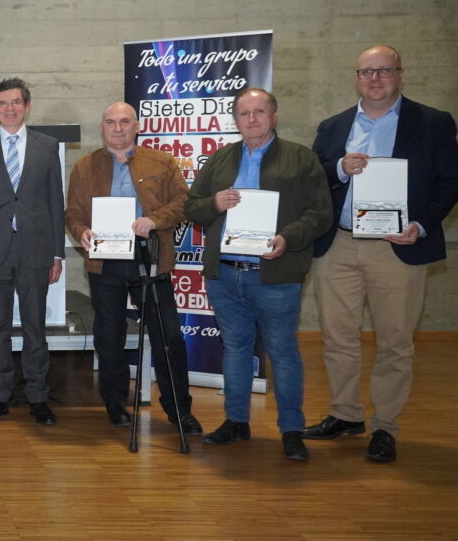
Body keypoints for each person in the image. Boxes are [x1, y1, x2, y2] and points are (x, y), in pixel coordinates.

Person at [304, 45, 458, 463]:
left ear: (400, 74)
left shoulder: (432, 122)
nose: (375, 79)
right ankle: (345, 414)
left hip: (399, 245)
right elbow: (313, 174)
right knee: (338, 337)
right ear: (356, 77)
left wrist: (422, 224)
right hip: (340, 244)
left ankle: (385, 426)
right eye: (366, 72)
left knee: (395, 342)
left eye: (384, 70)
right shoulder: (334, 125)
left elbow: (449, 181)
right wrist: (339, 168)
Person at [184, 87, 331, 462]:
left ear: (274, 116)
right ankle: (236, 422)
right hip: (225, 275)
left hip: (276, 273)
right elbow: (192, 208)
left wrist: (288, 238)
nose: (252, 119)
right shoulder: (219, 160)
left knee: (282, 352)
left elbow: (319, 213)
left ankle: (292, 430)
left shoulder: (301, 158)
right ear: (235, 119)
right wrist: (213, 203)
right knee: (234, 348)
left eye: (259, 112)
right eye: (244, 113)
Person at [65, 102, 201, 434]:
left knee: (167, 336)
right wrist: (81, 231)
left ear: (136, 126)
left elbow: (184, 202)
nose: (117, 128)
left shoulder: (163, 161)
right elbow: (73, 212)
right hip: (105, 259)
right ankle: (115, 403)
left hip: (150, 256)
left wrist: (155, 219)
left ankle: (178, 410)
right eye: (110, 122)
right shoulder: (84, 167)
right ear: (102, 128)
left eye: (124, 122)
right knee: (108, 335)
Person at [0, 77, 65, 426]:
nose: (10, 108)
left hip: (36, 251)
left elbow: (56, 201)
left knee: (35, 327)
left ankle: (38, 396)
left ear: (27, 105)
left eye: (16, 102)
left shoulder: (47, 146)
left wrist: (58, 254)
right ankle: (0, 396)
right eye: (3, 103)